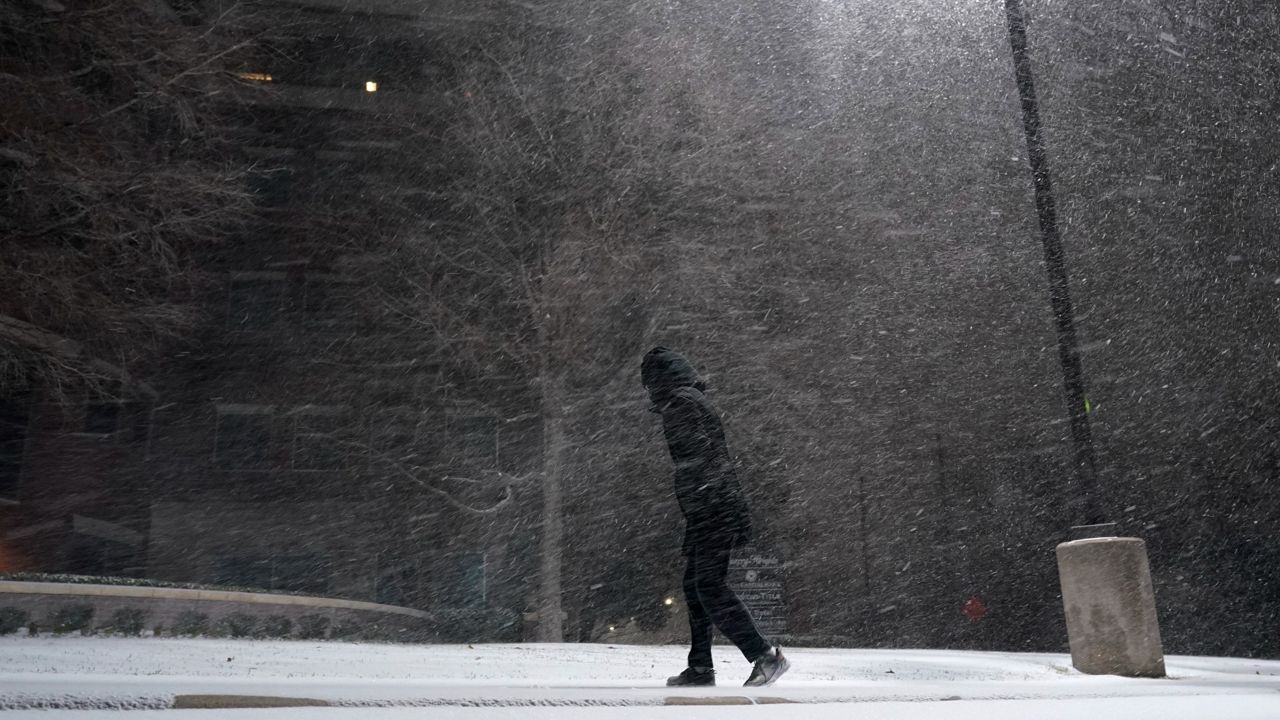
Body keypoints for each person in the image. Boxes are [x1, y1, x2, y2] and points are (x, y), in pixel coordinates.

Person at [641, 346, 789, 688]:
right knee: (695, 586)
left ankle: (765, 656)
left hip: (711, 507)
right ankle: (700, 668)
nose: (649, 393)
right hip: (712, 506)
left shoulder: (680, 405)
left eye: (649, 384)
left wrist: (702, 504)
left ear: (659, 380)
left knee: (708, 585)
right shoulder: (691, 400)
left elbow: (697, 460)